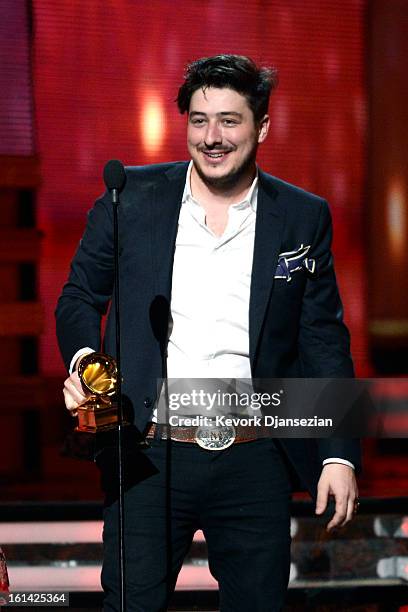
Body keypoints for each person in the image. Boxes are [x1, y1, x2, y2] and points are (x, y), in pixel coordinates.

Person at [57, 54, 360, 612]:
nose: (212, 137)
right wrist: (83, 363)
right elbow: (79, 296)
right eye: (199, 120)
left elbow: (323, 340)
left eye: (229, 120)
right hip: (148, 451)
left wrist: (339, 457)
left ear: (261, 127)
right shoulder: (131, 198)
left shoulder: (301, 215)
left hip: (256, 456)